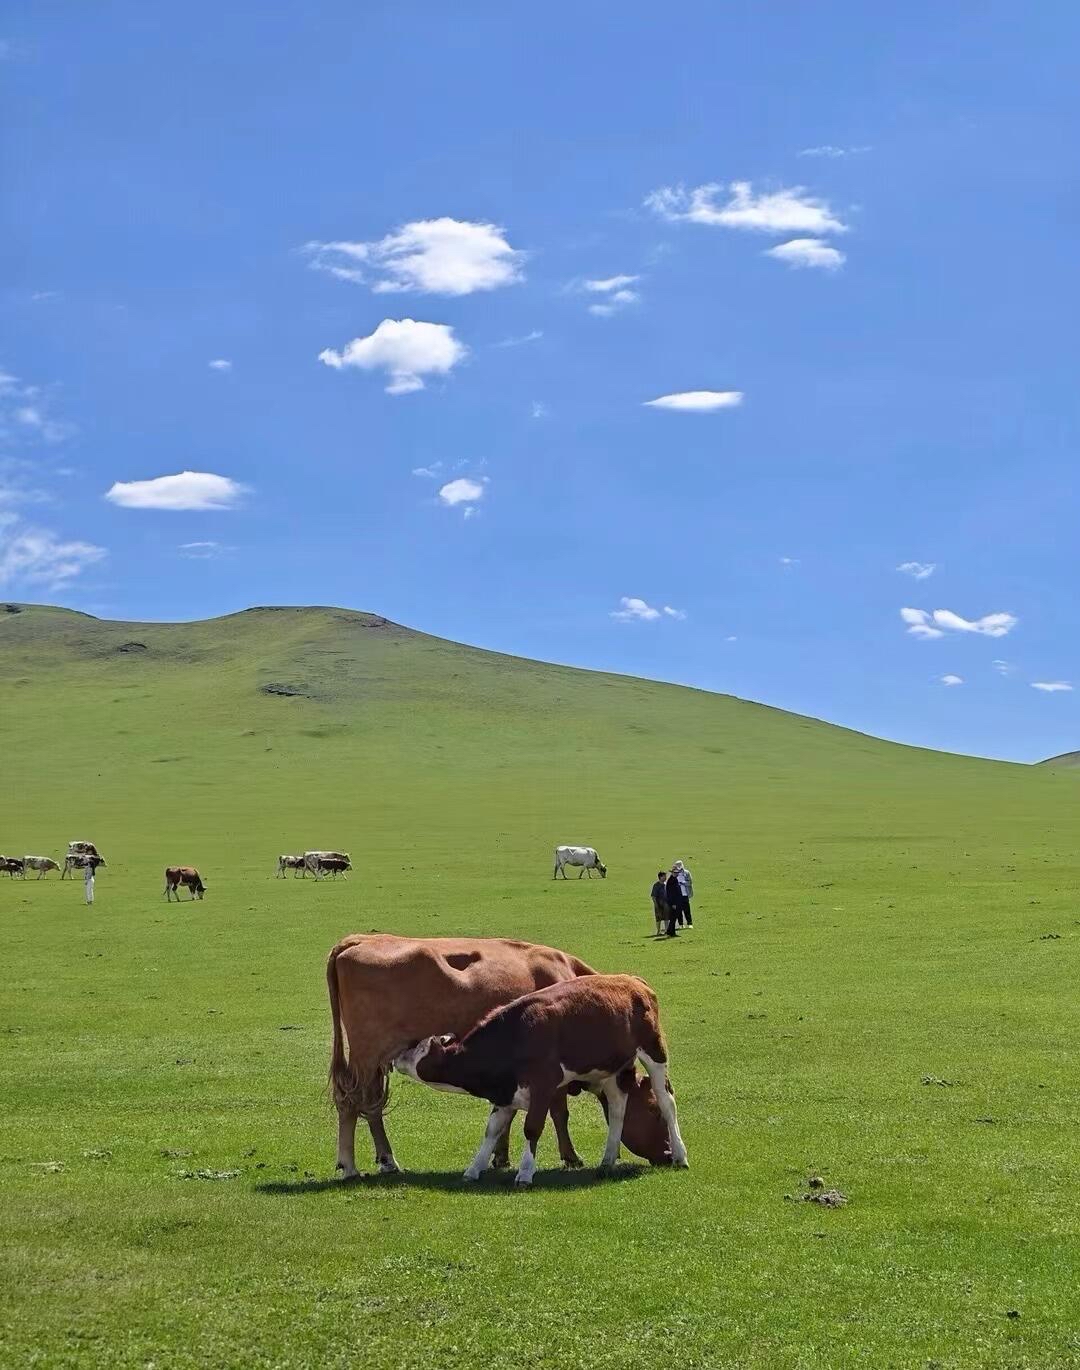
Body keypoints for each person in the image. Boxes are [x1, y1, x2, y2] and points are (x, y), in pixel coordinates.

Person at [673, 860, 694, 927]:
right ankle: (681, 924)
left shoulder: (686, 873)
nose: (678, 867)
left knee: (687, 909)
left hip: (685, 894)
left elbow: (690, 882)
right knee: (679, 910)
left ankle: (690, 923)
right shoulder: (674, 874)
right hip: (677, 895)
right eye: (677, 865)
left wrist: (683, 883)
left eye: (679, 865)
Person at [664, 869, 683, 937]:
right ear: (672, 873)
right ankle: (672, 932)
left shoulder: (674, 879)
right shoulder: (671, 881)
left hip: (676, 902)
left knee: (673, 918)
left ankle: (670, 931)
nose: (676, 874)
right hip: (674, 903)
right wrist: (673, 903)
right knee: (673, 918)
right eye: (675, 873)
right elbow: (670, 894)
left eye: (677, 873)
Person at [650, 871, 669, 936]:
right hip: (658, 905)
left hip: (666, 904)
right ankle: (658, 931)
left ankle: (666, 930)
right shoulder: (656, 885)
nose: (665, 877)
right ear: (660, 877)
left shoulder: (666, 884)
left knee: (667, 917)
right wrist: (656, 905)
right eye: (664, 876)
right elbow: (653, 896)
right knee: (658, 918)